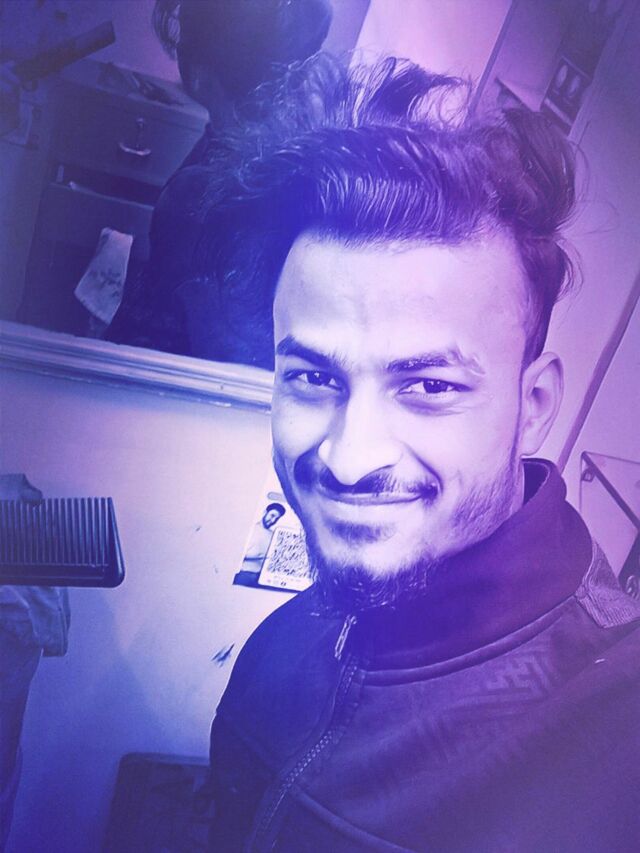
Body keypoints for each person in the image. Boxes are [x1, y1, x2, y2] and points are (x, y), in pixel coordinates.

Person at [206, 55, 640, 851]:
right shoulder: (288, 640)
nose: (349, 458)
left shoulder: (618, 736)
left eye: (430, 386)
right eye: (313, 377)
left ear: (534, 405)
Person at [107, 0, 332, 366]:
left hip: (177, 385)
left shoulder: (195, 196)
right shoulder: (306, 154)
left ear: (197, 73)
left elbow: (149, 340)